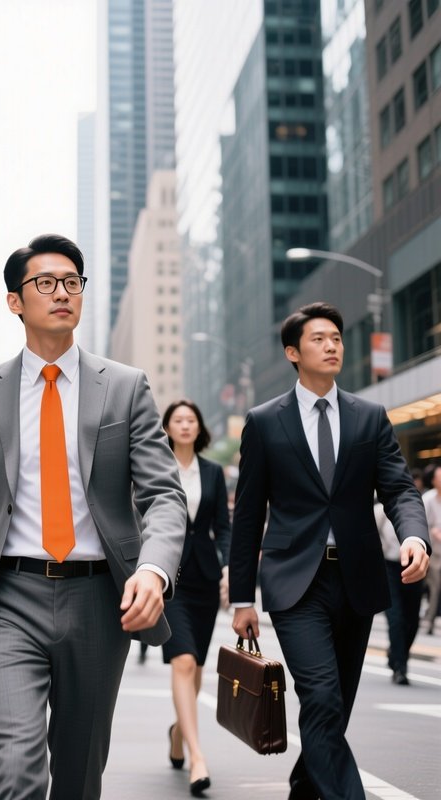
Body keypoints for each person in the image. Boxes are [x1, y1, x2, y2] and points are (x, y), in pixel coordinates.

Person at [0, 234, 187, 800]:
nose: (62, 292)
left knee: (78, 774)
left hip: (99, 601)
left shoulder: (125, 386)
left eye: (72, 282)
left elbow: (164, 494)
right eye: (45, 283)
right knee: (16, 768)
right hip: (6, 600)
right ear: (15, 301)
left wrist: (155, 571)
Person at [229, 302, 430, 800]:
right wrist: (241, 600)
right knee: (319, 695)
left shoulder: (370, 417)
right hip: (296, 583)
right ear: (293, 352)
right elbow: (249, 515)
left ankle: (305, 791)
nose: (332, 345)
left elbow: (400, 489)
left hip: (358, 580)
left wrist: (413, 535)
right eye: (319, 338)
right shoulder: (264, 422)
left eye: (337, 338)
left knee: (331, 709)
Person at [160, 400, 230, 796]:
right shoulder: (156, 466)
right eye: (178, 420)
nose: (185, 425)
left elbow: (224, 525)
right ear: (167, 428)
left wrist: (227, 570)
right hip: (168, 578)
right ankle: (197, 755)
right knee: (183, 660)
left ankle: (176, 732)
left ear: (199, 427)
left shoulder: (214, 472)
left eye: (191, 420)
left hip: (204, 578)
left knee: (197, 665)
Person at [374, 495, 423, 684]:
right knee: (395, 618)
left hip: (412, 566)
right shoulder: (380, 512)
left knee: (412, 620)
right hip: (388, 567)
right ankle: (400, 668)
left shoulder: (416, 510)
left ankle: (396, 653)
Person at [422, 464, 441, 634]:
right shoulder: (427, 499)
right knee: (435, 588)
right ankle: (429, 619)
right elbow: (420, 525)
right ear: (434, 481)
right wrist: (433, 531)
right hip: (433, 554)